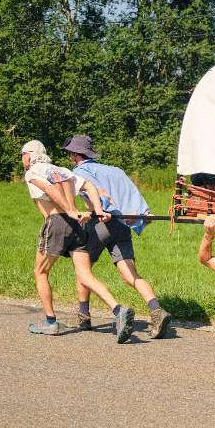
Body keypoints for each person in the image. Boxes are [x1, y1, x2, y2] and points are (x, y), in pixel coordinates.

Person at [20, 140, 135, 343]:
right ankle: (118, 310)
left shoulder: (33, 172)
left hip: (57, 222)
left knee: (40, 272)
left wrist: (70, 210)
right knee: (85, 275)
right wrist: (98, 211)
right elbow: (89, 186)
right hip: (79, 226)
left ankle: (50, 321)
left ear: (29, 155)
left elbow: (50, 189)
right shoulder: (61, 169)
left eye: (22, 154)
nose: (21, 158)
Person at [63, 134, 172, 339]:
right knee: (131, 274)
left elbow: (95, 196)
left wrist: (97, 209)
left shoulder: (79, 171)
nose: (70, 156)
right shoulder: (116, 170)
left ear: (76, 154)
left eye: (70, 153)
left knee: (83, 270)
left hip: (101, 223)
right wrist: (140, 215)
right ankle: (157, 311)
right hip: (123, 224)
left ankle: (83, 316)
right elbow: (132, 195)